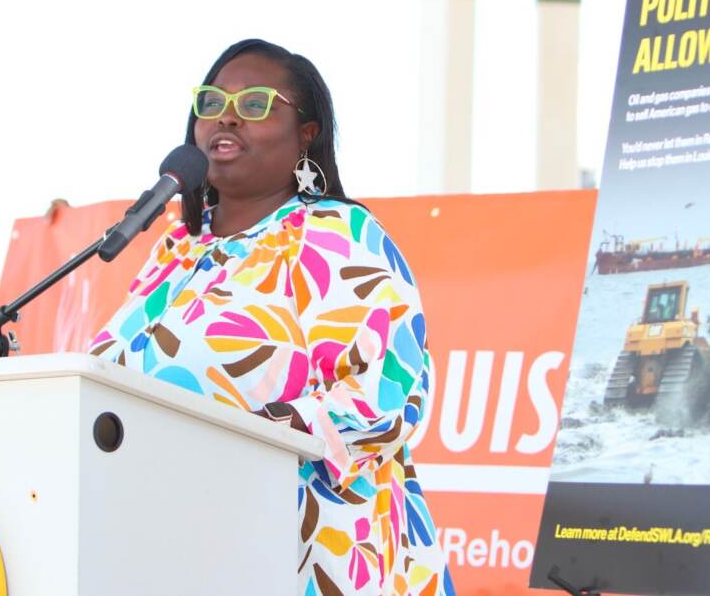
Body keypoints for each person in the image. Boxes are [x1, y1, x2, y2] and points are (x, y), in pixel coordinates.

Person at [89, 39, 454, 595]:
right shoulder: (177, 249)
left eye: (257, 103)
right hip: (185, 549)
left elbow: (387, 393)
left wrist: (238, 444)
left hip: (316, 556)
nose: (227, 115)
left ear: (306, 135)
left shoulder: (335, 236)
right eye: (211, 103)